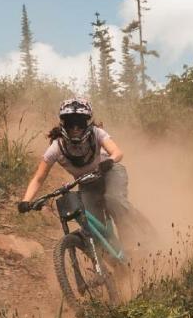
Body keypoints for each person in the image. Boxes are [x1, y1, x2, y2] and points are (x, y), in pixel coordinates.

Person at [17, 98, 144, 241]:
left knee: (113, 199)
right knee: (93, 229)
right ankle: (114, 257)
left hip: (110, 172)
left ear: (87, 123)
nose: (75, 128)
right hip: (87, 182)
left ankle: (132, 241)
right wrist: (26, 200)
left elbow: (117, 152)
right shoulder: (56, 148)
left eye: (80, 123)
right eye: (71, 123)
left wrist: (110, 161)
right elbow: (38, 178)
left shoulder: (97, 133)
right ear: (64, 124)